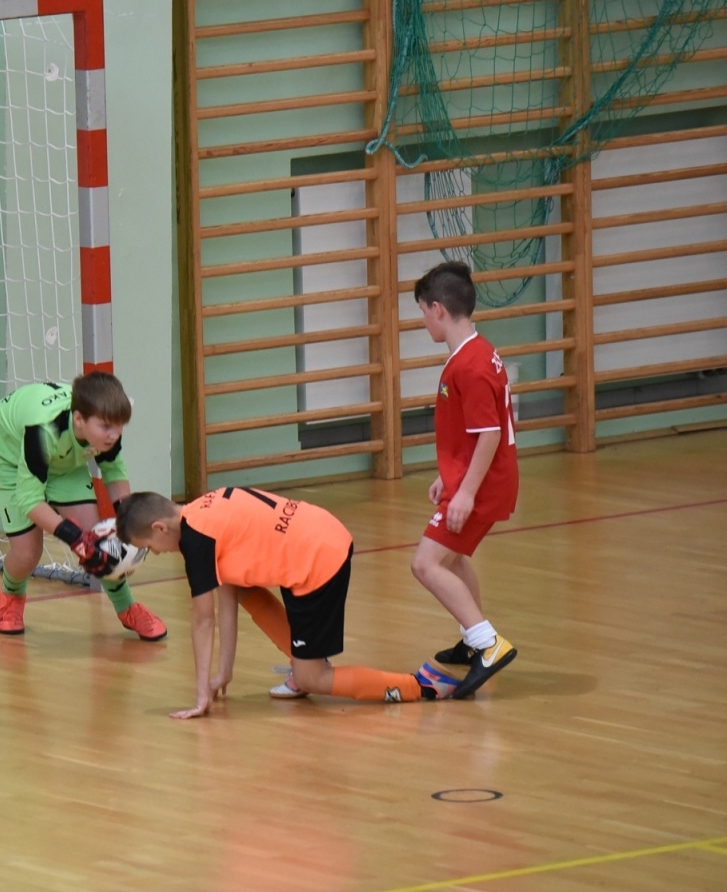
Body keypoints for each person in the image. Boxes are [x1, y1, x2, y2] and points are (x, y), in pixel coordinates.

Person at [115, 488, 444, 718]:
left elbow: (204, 620)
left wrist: (201, 696)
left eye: (149, 546)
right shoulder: (203, 509)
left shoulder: (196, 540)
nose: (156, 552)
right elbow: (228, 593)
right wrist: (222, 673)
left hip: (318, 561)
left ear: (160, 528)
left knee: (311, 678)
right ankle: (303, 659)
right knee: (244, 587)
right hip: (319, 532)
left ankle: (418, 685)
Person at [0, 371, 166, 641]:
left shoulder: (106, 424)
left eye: (119, 427)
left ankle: (127, 608)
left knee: (98, 544)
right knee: (28, 553)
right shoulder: (42, 431)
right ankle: (12, 594)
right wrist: (73, 536)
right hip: (7, 457)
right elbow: (31, 502)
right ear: (79, 419)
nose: (114, 435)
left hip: (63, 464)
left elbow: (114, 472)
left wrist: (129, 521)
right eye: (106, 428)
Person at [409, 261, 518, 699]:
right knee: (451, 558)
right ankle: (474, 637)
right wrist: (449, 476)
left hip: (485, 484)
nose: (422, 321)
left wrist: (466, 491)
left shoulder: (467, 367)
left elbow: (489, 433)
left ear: (437, 310)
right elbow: (473, 432)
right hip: (483, 478)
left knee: (425, 563)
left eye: (421, 311)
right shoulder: (478, 351)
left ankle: (488, 643)